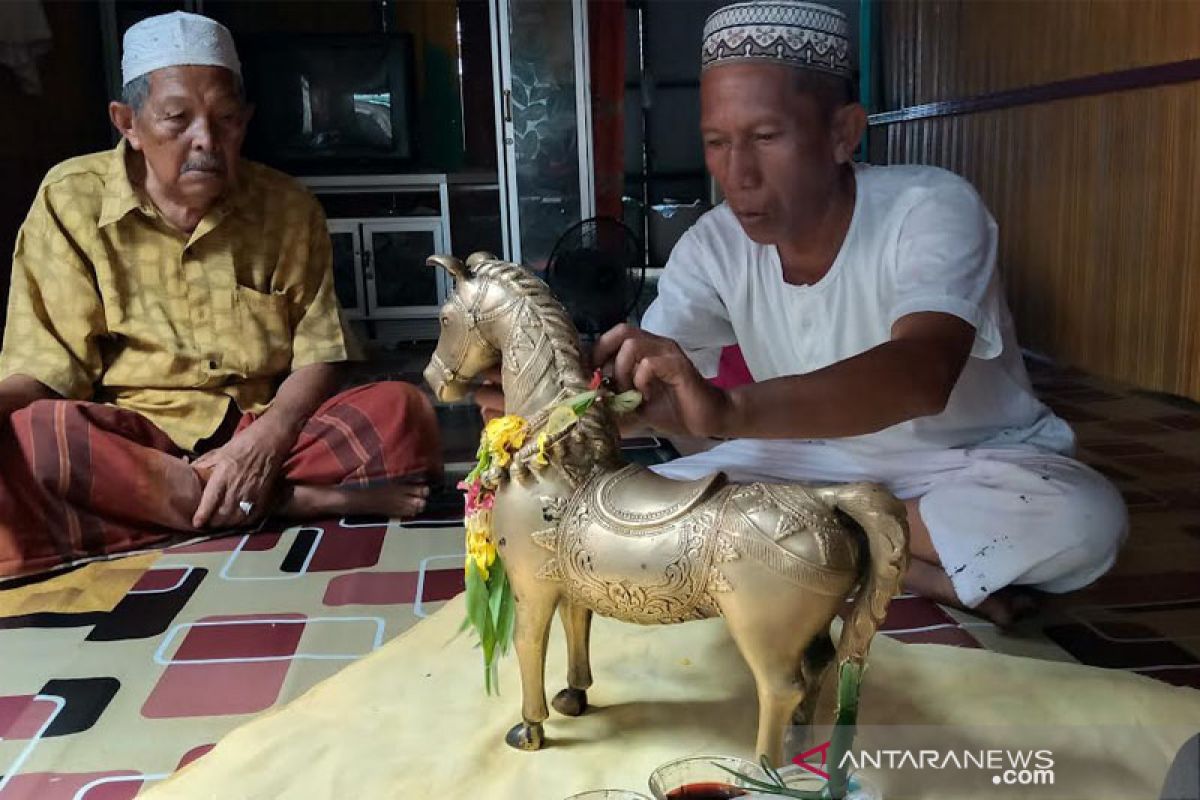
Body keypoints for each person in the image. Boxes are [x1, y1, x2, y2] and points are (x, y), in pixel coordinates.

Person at [479, 0, 1126, 625]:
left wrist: (732, 411)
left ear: (843, 133)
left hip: (967, 463)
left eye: (765, 137)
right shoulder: (716, 244)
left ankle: (819, 543)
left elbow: (922, 372)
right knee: (635, 504)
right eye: (716, 142)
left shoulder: (930, 209)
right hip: (799, 463)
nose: (738, 174)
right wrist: (551, 405)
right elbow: (646, 384)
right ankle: (899, 558)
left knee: (1085, 521)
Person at [0, 12, 440, 580]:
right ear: (127, 122)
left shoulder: (287, 207)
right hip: (132, 437)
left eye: (226, 119)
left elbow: (320, 351)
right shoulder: (69, 202)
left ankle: (184, 505)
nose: (206, 139)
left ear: (246, 121)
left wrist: (264, 441)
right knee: (35, 436)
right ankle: (282, 504)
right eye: (177, 119)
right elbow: (42, 367)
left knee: (403, 413)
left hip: (259, 427)